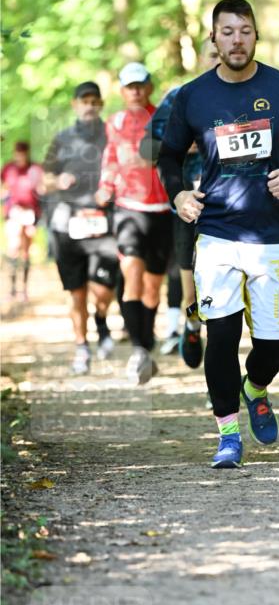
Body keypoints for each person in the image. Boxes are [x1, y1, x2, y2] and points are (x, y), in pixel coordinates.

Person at [158, 0, 279, 468]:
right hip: (215, 233)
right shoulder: (193, 96)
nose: (237, 40)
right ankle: (228, 437)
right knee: (221, 336)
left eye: (246, 31)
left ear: (257, 35)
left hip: (271, 234)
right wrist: (179, 195)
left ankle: (255, 388)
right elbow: (168, 156)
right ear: (213, 38)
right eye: (228, 31)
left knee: (274, 346)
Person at [140, 38, 220, 368]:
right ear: (202, 59)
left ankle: (220, 365)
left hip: (232, 209)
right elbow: (147, 149)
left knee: (223, 293)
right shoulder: (180, 96)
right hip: (188, 205)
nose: (219, 60)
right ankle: (191, 323)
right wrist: (178, 143)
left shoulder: (249, 97)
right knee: (192, 295)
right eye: (212, 54)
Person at [97, 63, 171, 385]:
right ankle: (139, 349)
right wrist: (105, 185)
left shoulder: (166, 118)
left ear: (149, 87)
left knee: (153, 288)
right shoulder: (114, 122)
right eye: (130, 86)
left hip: (164, 210)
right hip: (129, 209)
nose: (136, 91)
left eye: (141, 85)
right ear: (122, 91)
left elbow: (182, 151)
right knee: (132, 276)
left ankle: (148, 342)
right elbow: (111, 157)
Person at [42, 82, 118, 374]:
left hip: (103, 222)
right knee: (77, 292)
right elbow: (44, 179)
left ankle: (100, 319)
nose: (89, 106)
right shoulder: (61, 138)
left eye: (94, 101)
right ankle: (82, 347)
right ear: (75, 105)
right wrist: (57, 181)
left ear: (100, 105)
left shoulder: (111, 135)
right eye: (84, 100)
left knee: (103, 288)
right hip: (67, 223)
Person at [1, 141, 43, 302]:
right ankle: (12, 289)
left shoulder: (34, 169)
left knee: (26, 251)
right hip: (13, 212)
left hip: (30, 213)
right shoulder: (9, 169)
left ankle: (23, 289)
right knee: (13, 247)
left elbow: (41, 191)